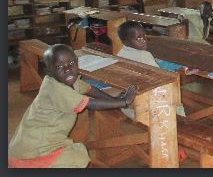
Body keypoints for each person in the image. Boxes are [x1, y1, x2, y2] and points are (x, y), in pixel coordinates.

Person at [8, 45, 136, 168]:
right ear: (50, 70)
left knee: (77, 155)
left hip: (41, 141)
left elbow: (90, 89)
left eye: (71, 63)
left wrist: (113, 100)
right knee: (77, 159)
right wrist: (123, 102)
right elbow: (90, 104)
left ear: (77, 62)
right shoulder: (55, 89)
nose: (67, 69)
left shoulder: (69, 80)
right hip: (34, 149)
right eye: (59, 66)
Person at [116, 21, 185, 118]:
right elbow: (162, 77)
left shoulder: (120, 53)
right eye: (138, 38)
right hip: (148, 106)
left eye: (144, 36)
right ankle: (179, 119)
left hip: (129, 105)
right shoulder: (144, 55)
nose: (144, 40)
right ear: (126, 41)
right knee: (174, 88)